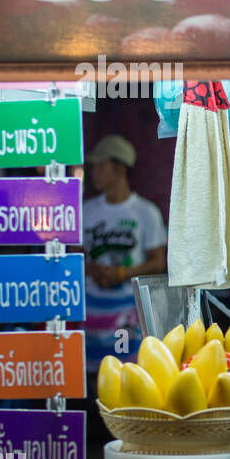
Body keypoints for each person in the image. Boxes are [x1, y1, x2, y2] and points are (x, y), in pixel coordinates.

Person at [81, 135, 168, 368]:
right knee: (92, 376)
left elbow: (158, 263)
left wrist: (119, 274)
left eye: (101, 165)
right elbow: (72, 258)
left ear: (120, 167)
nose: (94, 172)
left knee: (128, 374)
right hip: (90, 310)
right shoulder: (86, 211)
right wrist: (95, 271)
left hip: (128, 311)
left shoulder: (146, 213)